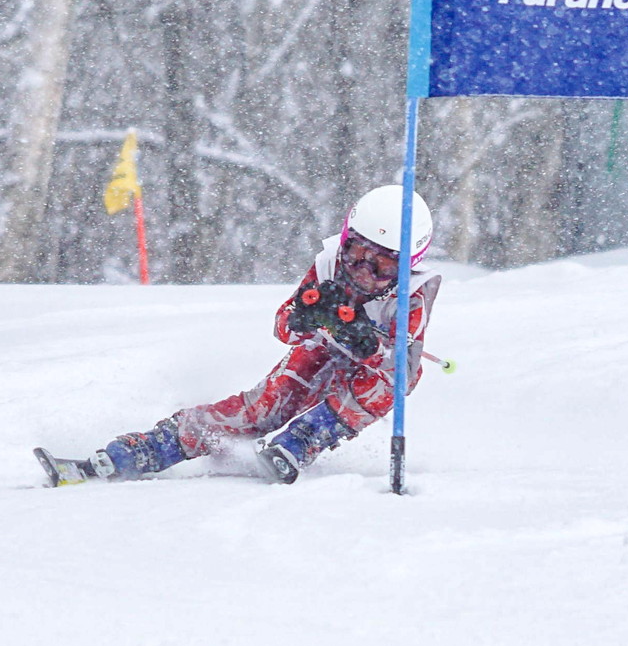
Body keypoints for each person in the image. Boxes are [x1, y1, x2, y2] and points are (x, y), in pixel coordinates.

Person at [89, 185, 441, 485]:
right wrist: (303, 318)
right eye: (356, 254)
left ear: (408, 264)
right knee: (263, 408)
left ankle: (307, 435)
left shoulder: (412, 295)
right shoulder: (329, 264)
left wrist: (369, 344)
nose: (363, 271)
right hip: (322, 346)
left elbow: (404, 368)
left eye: (381, 266)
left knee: (393, 380)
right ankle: (155, 445)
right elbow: (283, 326)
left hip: (373, 372)